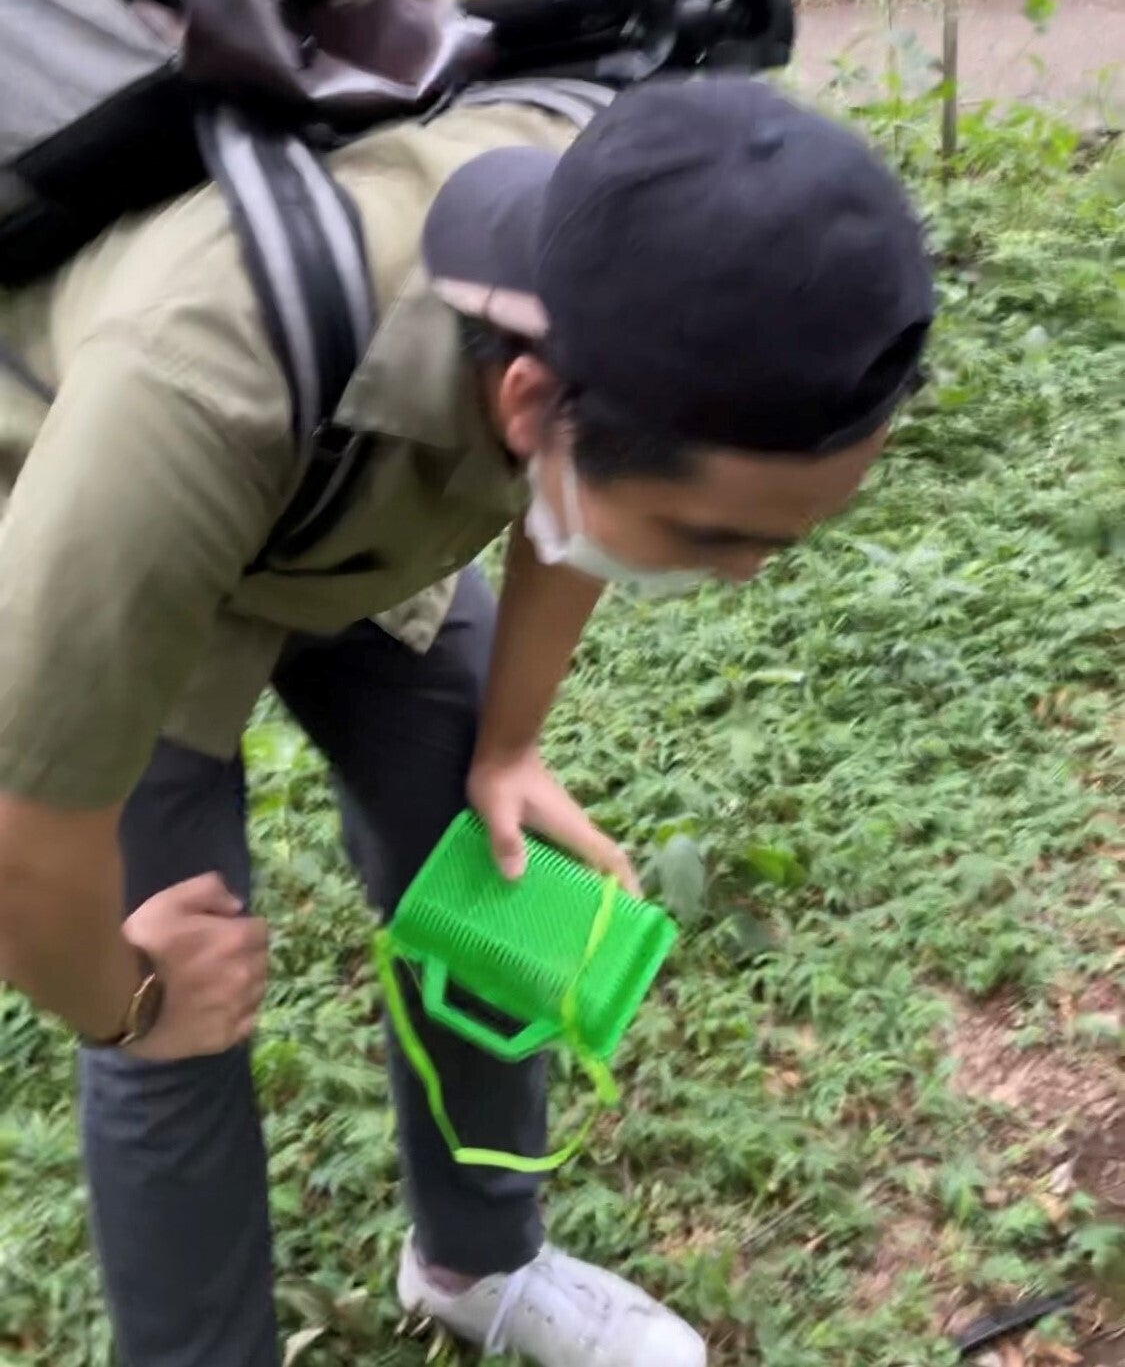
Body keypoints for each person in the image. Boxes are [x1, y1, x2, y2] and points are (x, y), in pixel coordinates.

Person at [0, 71, 934, 1367]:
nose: (737, 577)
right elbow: (25, 851)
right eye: (712, 536)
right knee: (174, 1003)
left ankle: (474, 1259)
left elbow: (574, 488)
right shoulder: (182, 389)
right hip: (123, 530)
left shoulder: (610, 245)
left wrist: (507, 748)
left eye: (776, 541)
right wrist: (124, 997)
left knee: (495, 856)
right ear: (527, 398)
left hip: (343, 495)